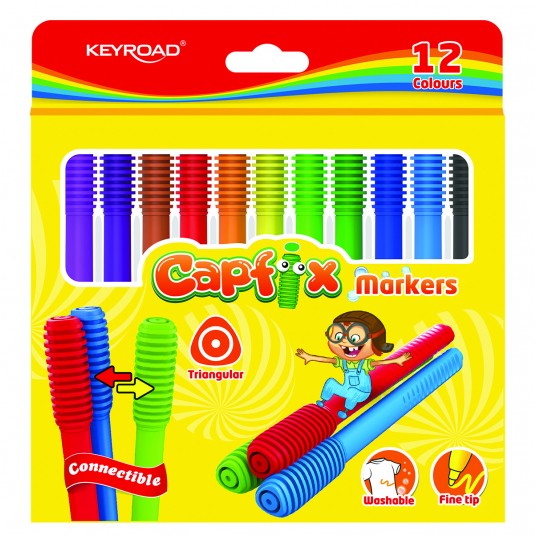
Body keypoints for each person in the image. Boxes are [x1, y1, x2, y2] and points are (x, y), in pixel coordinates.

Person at [296, 310, 411, 419]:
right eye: (338, 336)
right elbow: (328, 360)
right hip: (346, 389)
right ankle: (323, 401)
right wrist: (310, 357)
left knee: (352, 393)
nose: (344, 341)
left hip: (361, 393)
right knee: (331, 382)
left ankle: (345, 411)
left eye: (355, 338)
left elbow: (380, 363)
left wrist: (397, 360)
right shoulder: (343, 363)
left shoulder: (364, 364)